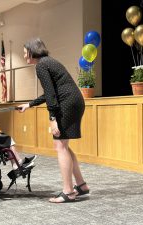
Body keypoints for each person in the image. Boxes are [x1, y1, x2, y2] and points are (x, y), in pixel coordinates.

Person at [18, 38, 89, 203]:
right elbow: (50, 92)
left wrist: (52, 118)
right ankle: (81, 185)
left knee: (60, 146)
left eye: (24, 52)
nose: (23, 55)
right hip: (74, 101)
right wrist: (29, 104)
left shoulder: (41, 65)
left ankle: (68, 192)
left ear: (32, 50)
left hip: (68, 103)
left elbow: (51, 95)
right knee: (64, 145)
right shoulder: (48, 62)